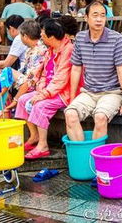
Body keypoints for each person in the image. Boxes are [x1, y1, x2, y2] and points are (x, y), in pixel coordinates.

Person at [64, 1, 122, 141]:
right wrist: (72, 98)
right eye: (95, 15)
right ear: (86, 18)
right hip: (88, 92)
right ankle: (82, 156)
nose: (99, 19)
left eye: (102, 15)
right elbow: (76, 69)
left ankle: (95, 159)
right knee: (70, 114)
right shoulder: (80, 38)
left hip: (112, 92)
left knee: (100, 117)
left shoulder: (116, 38)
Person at [15, 17, 78, 159]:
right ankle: (34, 136)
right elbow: (44, 75)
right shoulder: (50, 50)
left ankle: (43, 145)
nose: (41, 37)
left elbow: (61, 80)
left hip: (63, 93)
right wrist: (40, 90)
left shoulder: (68, 50)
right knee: (23, 100)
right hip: (50, 90)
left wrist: (42, 95)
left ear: (52, 36)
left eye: (43, 35)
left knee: (39, 106)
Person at [0, 20, 47, 113]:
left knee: (7, 72)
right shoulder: (34, 48)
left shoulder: (39, 50)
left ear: (25, 36)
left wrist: (16, 98)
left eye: (21, 35)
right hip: (29, 80)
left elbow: (31, 79)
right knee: (4, 73)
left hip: (35, 84)